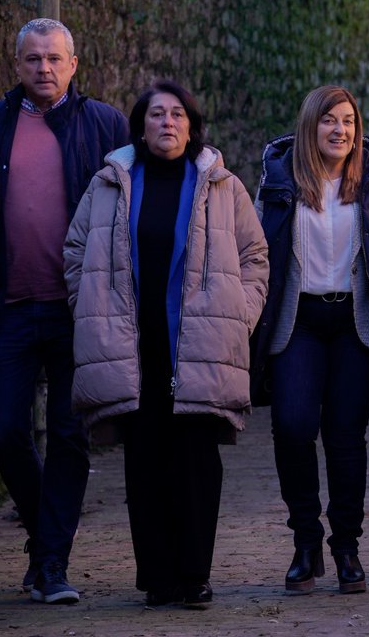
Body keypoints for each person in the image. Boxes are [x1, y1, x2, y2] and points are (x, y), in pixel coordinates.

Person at [63, 80, 269, 607]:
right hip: (134, 345)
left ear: (192, 126)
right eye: (157, 114)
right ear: (140, 126)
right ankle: (157, 577)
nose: (168, 123)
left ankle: (194, 575)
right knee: (145, 459)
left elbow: (255, 257)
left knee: (197, 458)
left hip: (200, 343)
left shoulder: (222, 185)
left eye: (178, 114)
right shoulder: (110, 183)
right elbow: (76, 250)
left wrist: (238, 316)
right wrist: (91, 307)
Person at [0, 18, 129, 605]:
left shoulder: (106, 124)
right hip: (7, 306)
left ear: (73, 64)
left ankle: (53, 563)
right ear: (17, 64)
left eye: (54, 58)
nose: (44, 68)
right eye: (33, 59)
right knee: (3, 429)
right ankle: (46, 537)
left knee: (68, 433)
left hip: (76, 309)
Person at [251, 85, 369, 596]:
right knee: (293, 426)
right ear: (310, 125)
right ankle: (306, 542)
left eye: (348, 120)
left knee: (346, 437)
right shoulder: (278, 177)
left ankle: (346, 547)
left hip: (355, 322)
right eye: (329, 120)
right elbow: (256, 249)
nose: (340, 129)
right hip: (297, 320)